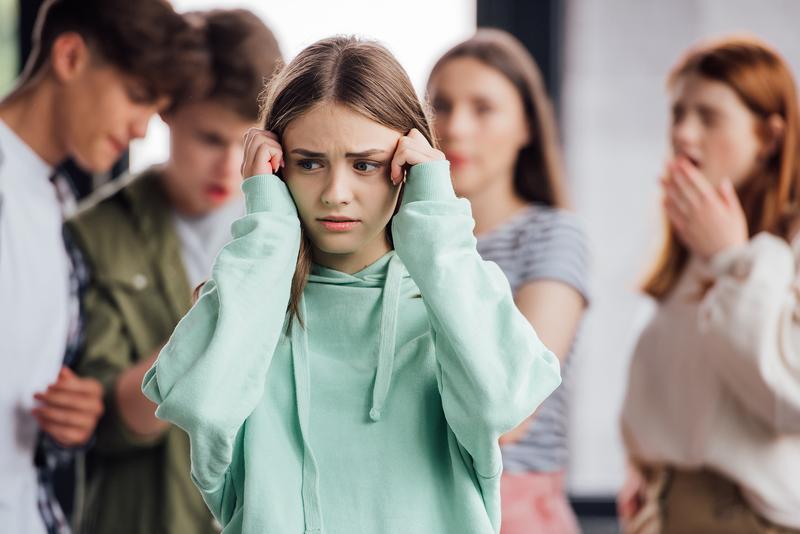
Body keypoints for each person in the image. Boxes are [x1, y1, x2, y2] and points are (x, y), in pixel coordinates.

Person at [141, 35, 562, 534]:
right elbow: (203, 410)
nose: (336, 194)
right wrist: (268, 230)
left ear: (409, 166)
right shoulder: (246, 302)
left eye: (365, 165)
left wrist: (434, 218)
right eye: (310, 163)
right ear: (278, 169)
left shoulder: (454, 296)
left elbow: (503, 406)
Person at [66, 9, 282, 533]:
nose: (229, 164)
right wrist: (208, 331)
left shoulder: (288, 228)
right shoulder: (97, 230)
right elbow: (101, 422)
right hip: (144, 515)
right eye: (209, 139)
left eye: (246, 142)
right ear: (166, 115)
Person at [0, 0, 204, 532]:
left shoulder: (57, 204)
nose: (141, 131)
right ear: (70, 57)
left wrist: (76, 415)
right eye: (137, 98)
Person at [619, 36, 800, 533]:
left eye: (708, 117)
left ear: (768, 138)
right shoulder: (687, 250)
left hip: (750, 516)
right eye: (678, 114)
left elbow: (788, 397)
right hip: (670, 507)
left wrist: (732, 262)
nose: (683, 134)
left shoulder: (778, 248)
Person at [427, 29, 589, 533]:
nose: (456, 127)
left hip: (511, 507)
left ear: (526, 126)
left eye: (483, 108)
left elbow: (513, 408)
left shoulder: (552, 234)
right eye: (441, 106)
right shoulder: (404, 238)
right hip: (417, 500)